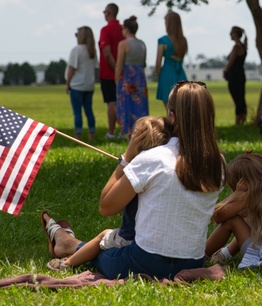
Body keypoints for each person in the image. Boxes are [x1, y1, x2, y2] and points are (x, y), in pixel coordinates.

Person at [44, 81, 225, 279]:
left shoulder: (154, 158)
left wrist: (127, 157)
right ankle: (69, 243)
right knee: (108, 242)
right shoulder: (219, 164)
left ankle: (70, 245)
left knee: (103, 254)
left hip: (144, 262)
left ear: (172, 117)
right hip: (193, 262)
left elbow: (106, 206)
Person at [44, 116, 172, 271]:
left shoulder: (139, 172)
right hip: (164, 244)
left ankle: (67, 262)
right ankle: (67, 244)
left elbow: (105, 203)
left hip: (132, 242)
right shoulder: (170, 172)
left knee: (104, 237)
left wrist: (126, 158)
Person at [114, 15, 150, 139]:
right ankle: (142, 130)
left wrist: (116, 79)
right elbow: (143, 62)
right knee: (140, 105)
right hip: (140, 78)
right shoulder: (142, 44)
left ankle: (126, 131)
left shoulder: (123, 44)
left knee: (126, 104)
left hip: (127, 78)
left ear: (126, 29)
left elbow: (119, 65)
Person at [65, 26, 98, 142]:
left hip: (77, 85)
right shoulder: (92, 51)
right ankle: (92, 135)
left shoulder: (76, 50)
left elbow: (72, 69)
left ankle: (78, 136)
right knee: (89, 111)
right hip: (89, 86)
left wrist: (67, 83)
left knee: (77, 112)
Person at [98, 3, 124, 140]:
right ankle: (123, 130)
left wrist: (116, 70)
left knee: (112, 103)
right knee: (122, 102)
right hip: (123, 72)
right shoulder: (122, 29)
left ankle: (112, 132)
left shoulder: (105, 30)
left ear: (108, 13)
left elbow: (107, 53)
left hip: (109, 73)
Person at [155, 11, 188, 105]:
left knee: (169, 108)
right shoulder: (183, 40)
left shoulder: (163, 40)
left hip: (167, 73)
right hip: (180, 73)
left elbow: (158, 63)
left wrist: (159, 75)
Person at [223, 26, 248, 125]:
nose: (230, 34)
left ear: (235, 34)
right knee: (241, 97)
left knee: (237, 98)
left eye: (232, 32)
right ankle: (243, 117)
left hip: (235, 76)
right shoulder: (243, 46)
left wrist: (225, 71)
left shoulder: (236, 47)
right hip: (241, 75)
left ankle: (238, 120)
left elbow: (231, 62)